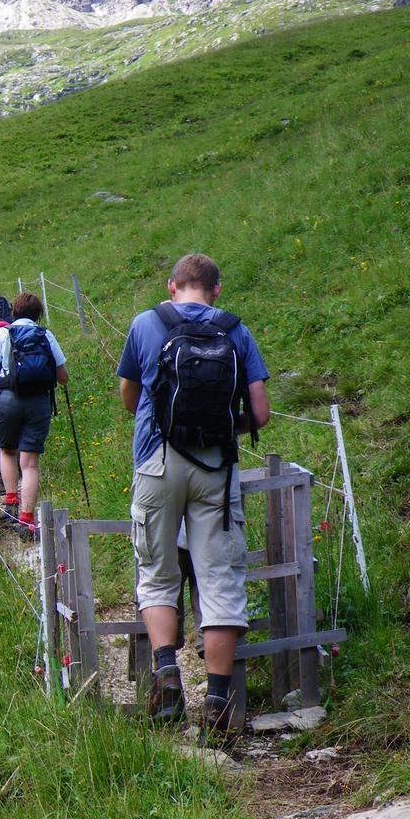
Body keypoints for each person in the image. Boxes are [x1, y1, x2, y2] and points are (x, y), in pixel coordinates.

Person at [117, 253, 269, 739]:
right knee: (220, 578)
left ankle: (167, 683)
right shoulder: (235, 331)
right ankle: (221, 705)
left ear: (172, 286)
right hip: (216, 470)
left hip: (158, 460)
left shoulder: (146, 323)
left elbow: (128, 395)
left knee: (157, 574)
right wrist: (226, 428)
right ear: (216, 290)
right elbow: (261, 413)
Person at [0, 291, 68, 540]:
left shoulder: (3, 333)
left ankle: (10, 502)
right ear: (38, 314)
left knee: (7, 450)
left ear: (13, 312)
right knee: (30, 463)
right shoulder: (45, 335)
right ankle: (27, 519)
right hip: (38, 401)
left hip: (7, 399)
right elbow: (62, 377)